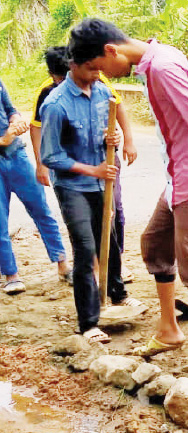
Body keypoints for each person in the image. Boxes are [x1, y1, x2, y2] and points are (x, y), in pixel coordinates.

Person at [68, 18, 188, 386]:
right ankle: (169, 328)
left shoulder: (161, 69)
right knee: (155, 245)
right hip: (179, 176)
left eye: (98, 67)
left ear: (111, 51)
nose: (100, 75)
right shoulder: (160, 54)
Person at [40, 58, 143, 343]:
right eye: (91, 69)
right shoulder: (55, 104)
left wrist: (113, 139)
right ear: (73, 65)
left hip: (101, 181)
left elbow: (104, 135)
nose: (97, 74)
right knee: (85, 249)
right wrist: (91, 170)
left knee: (107, 239)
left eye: (99, 69)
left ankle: (117, 295)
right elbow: (51, 156)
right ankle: (88, 322)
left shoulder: (101, 93)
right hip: (73, 185)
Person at [31, 46, 139, 283]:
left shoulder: (96, 80)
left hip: (104, 163)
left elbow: (116, 106)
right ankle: (92, 266)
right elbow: (37, 127)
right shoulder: (51, 97)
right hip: (72, 174)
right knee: (81, 224)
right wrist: (41, 163)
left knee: (113, 211)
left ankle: (114, 262)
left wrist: (124, 139)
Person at [0, 77, 70, 295]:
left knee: (41, 209)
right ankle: (11, 275)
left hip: (16, 155)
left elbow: (10, 109)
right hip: (6, 147)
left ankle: (62, 264)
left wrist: (16, 120)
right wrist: (3, 138)